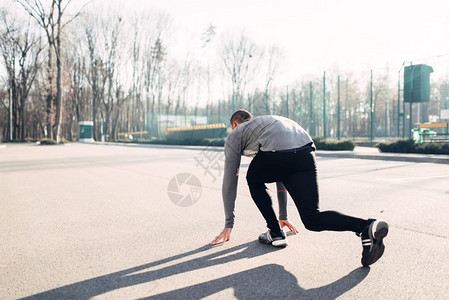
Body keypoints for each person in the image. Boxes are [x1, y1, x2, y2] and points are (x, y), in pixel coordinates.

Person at [210, 109, 389, 267]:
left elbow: (230, 179)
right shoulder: (266, 124)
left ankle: (275, 232)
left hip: (279, 156)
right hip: (305, 152)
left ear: (234, 124)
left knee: (253, 179)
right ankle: (365, 226)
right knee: (312, 219)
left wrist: (229, 223)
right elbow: (279, 170)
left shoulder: (236, 133)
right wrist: (283, 216)